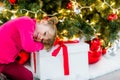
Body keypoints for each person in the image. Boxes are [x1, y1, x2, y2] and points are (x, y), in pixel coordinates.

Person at [0, 16, 58, 80]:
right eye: (44, 33)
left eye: (42, 40)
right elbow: (28, 46)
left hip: (5, 63)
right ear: (43, 22)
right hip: (2, 60)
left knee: (28, 76)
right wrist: (42, 46)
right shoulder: (27, 22)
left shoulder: (30, 34)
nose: (41, 38)